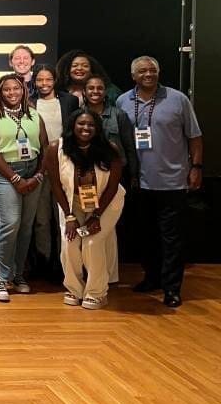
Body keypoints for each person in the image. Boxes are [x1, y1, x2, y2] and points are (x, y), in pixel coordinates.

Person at [118, 55, 203, 308]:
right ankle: (152, 278)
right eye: (142, 71)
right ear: (134, 75)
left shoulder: (178, 99)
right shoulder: (123, 101)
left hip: (173, 181)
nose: (148, 74)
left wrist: (196, 167)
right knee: (145, 235)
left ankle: (172, 288)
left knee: (171, 238)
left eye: (152, 70)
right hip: (138, 182)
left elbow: (195, 137)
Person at [44, 110, 125, 310]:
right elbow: (55, 186)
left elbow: (113, 187)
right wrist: (69, 216)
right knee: (69, 241)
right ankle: (73, 288)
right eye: (81, 124)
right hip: (72, 202)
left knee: (92, 241)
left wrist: (96, 216)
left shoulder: (110, 149)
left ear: (97, 129)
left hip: (106, 203)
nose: (86, 128)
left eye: (91, 125)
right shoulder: (56, 148)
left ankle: (97, 293)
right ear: (72, 126)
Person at [0, 74, 49, 303]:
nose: (12, 93)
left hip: (33, 173)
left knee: (26, 226)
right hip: (4, 173)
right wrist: (16, 178)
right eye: (6, 89)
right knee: (10, 222)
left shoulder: (34, 114)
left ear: (23, 90)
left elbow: (45, 146)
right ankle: (0, 275)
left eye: (16, 89)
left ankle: (18, 274)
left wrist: (38, 175)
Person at [83, 73, 137, 285]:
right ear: (85, 92)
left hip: (114, 178)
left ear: (105, 91)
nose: (95, 92)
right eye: (91, 88)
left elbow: (129, 147)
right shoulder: (79, 114)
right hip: (86, 179)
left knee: (108, 226)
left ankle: (109, 275)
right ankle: (89, 272)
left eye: (99, 88)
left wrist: (133, 175)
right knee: (90, 223)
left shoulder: (118, 115)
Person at [31, 64, 80, 277]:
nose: (44, 84)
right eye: (40, 80)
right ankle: (43, 259)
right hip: (38, 164)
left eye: (48, 79)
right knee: (41, 218)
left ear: (55, 80)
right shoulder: (30, 102)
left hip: (64, 162)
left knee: (63, 214)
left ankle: (63, 263)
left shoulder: (69, 101)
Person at [56, 50, 120, 104]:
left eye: (85, 66)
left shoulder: (110, 91)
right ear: (67, 70)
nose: (80, 68)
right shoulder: (57, 91)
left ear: (91, 69)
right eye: (74, 65)